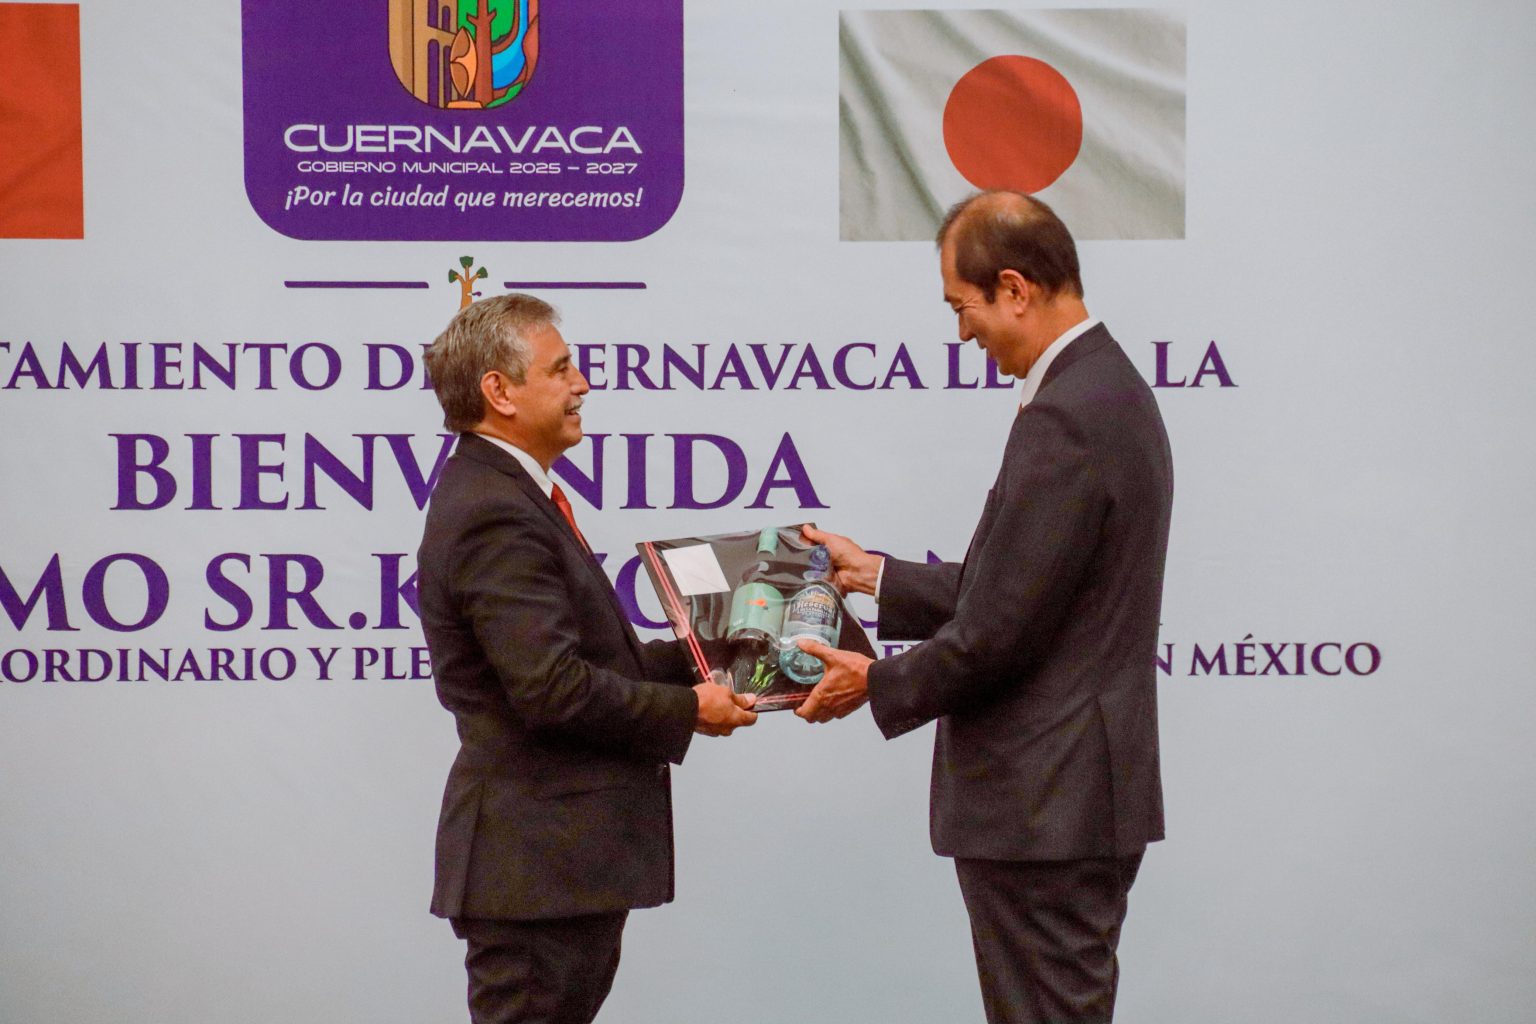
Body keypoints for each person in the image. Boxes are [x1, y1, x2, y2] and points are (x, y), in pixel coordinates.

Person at [795, 191, 1173, 1023]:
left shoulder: (1067, 414)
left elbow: (999, 632)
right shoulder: (1105, 389)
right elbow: (1026, 585)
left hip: (1046, 807)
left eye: (960, 309)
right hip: (1072, 801)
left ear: (1014, 289)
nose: (963, 334)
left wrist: (874, 681)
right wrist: (877, 576)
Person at [416, 293, 757, 1024]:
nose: (583, 385)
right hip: (536, 872)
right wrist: (691, 709)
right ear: (499, 391)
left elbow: (589, 665)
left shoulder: (509, 494)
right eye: (561, 369)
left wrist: (724, 649)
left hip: (553, 873)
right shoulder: (494, 510)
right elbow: (552, 689)